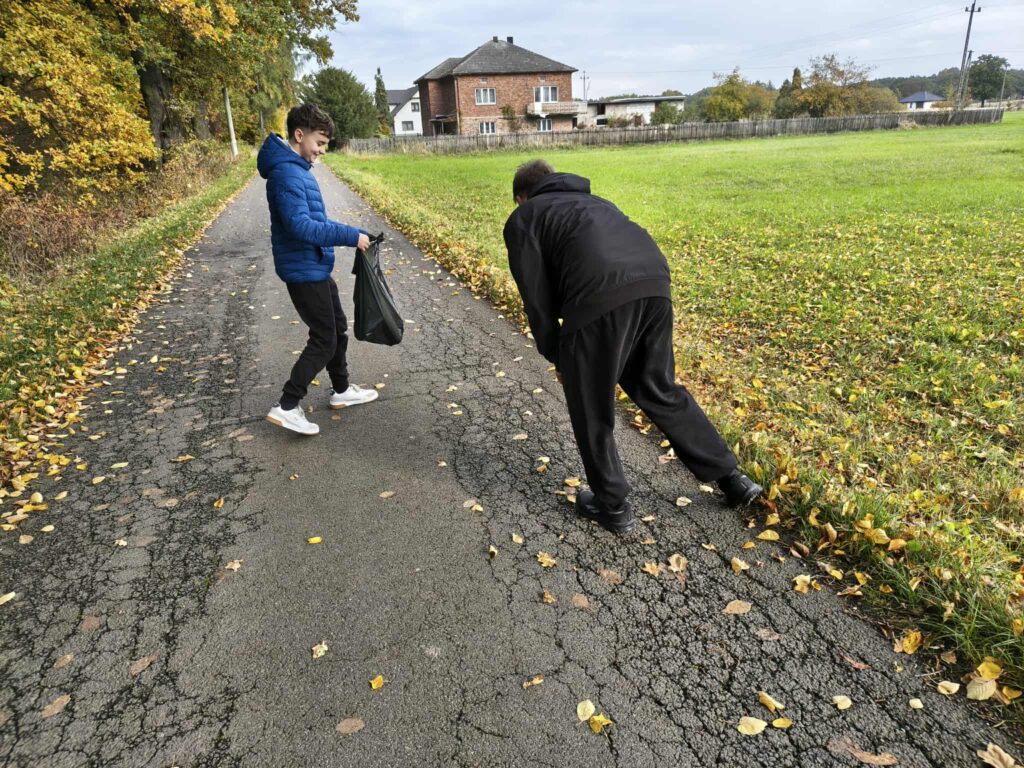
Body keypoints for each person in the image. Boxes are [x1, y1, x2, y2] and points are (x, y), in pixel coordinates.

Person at [503, 159, 762, 534]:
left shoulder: (525, 216)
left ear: (521, 197)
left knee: (590, 404)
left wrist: (558, 354)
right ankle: (732, 479)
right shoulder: (597, 203)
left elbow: (536, 297)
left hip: (599, 296)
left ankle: (611, 506)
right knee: (658, 387)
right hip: (655, 286)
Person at [257, 104, 380, 436]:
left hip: (314, 265)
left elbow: (318, 220)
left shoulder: (297, 170)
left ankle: (341, 390)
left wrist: (357, 232)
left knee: (336, 327)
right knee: (325, 338)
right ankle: (287, 405)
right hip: (303, 270)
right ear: (299, 135)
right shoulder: (286, 174)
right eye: (320, 143)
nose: (322, 151)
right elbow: (301, 226)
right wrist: (349, 237)